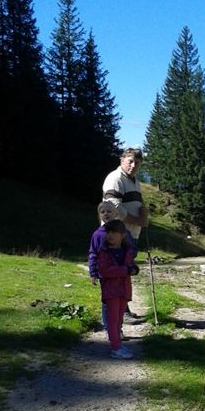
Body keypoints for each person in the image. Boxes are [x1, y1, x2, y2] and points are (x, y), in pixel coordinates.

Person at [102, 147, 148, 323]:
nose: (133, 165)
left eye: (137, 162)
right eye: (130, 161)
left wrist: (144, 214)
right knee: (116, 272)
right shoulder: (115, 179)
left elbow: (138, 203)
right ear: (122, 160)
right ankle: (115, 316)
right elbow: (113, 206)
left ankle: (122, 310)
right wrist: (136, 220)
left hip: (129, 234)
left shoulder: (134, 181)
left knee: (124, 272)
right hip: (116, 235)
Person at [88, 201, 138, 336]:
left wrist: (129, 263)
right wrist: (93, 272)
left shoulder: (123, 231)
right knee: (108, 302)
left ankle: (118, 328)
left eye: (109, 211)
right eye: (102, 211)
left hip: (122, 273)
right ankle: (108, 329)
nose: (106, 213)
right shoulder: (97, 235)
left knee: (121, 300)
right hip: (106, 274)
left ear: (116, 213)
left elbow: (132, 248)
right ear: (99, 216)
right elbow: (93, 253)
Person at [97, 219, 139, 360]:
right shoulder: (104, 252)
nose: (110, 235)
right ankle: (115, 348)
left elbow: (130, 266)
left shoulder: (127, 250)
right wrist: (125, 270)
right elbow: (105, 271)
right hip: (111, 291)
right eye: (108, 232)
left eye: (114, 232)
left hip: (124, 290)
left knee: (119, 319)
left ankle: (118, 344)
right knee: (112, 319)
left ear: (122, 235)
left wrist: (134, 269)